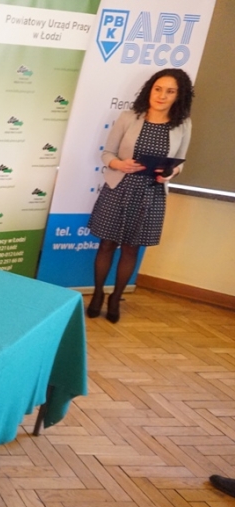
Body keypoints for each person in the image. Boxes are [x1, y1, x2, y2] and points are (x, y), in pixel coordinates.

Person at [86, 68, 194, 324]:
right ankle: (98, 294)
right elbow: (107, 154)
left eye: (170, 91)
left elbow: (180, 162)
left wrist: (170, 173)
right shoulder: (128, 117)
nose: (162, 95)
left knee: (131, 248)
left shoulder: (183, 124)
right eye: (158, 89)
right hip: (119, 188)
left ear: (178, 96)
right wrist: (119, 164)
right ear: (150, 90)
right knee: (106, 245)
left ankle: (116, 298)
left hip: (151, 193)